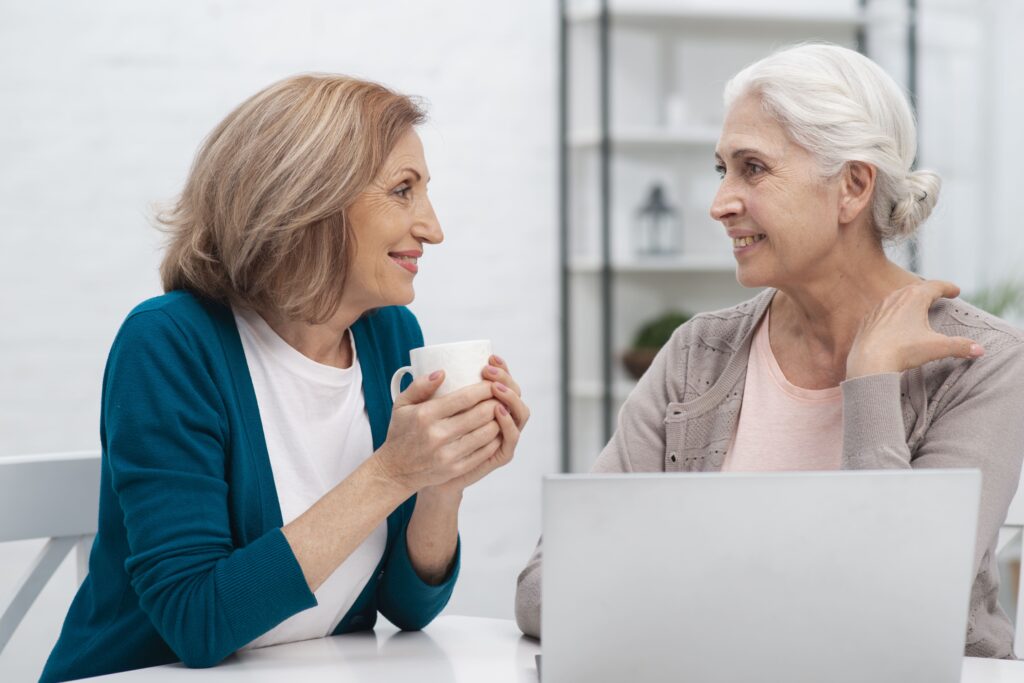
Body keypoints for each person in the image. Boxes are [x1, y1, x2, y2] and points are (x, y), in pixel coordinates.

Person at [515, 43, 1024, 659]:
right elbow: (546, 592)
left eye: (752, 168)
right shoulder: (697, 353)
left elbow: (898, 614)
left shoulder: (981, 360)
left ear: (853, 187)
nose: (720, 202)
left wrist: (870, 380)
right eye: (721, 169)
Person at [42, 74, 530, 682]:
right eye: (403, 191)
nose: (432, 228)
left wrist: (442, 482)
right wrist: (394, 471)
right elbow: (197, 623)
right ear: (305, 200)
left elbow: (407, 607)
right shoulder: (170, 343)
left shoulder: (390, 337)